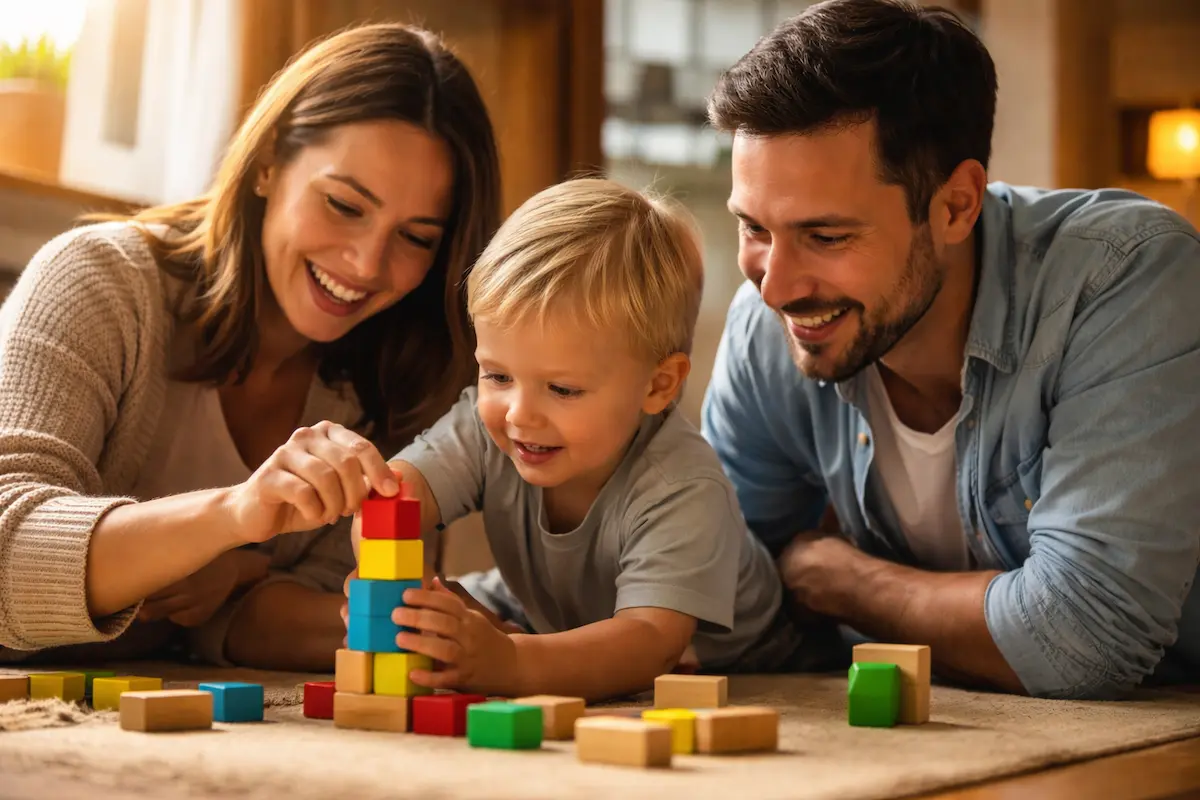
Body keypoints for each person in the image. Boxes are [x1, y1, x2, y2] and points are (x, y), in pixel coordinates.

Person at [701, 0, 1200, 699]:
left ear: (956, 206)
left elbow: (1088, 638)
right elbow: (705, 586)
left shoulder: (1123, 278)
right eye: (754, 227)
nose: (775, 285)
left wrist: (846, 582)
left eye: (827, 237)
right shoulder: (769, 327)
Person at [0, 22, 501, 671]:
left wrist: (433, 632)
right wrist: (233, 518)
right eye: (345, 205)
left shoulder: (403, 371)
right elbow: (8, 560)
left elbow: (282, 618)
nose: (367, 263)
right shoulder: (98, 281)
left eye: (416, 237)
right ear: (268, 162)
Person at [349, 178, 787, 701]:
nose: (519, 414)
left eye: (562, 388)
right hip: (555, 614)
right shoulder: (490, 427)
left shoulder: (682, 485)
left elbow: (651, 643)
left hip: (739, 658)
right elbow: (392, 495)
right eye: (497, 375)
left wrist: (511, 663)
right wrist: (414, 595)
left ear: (657, 385)